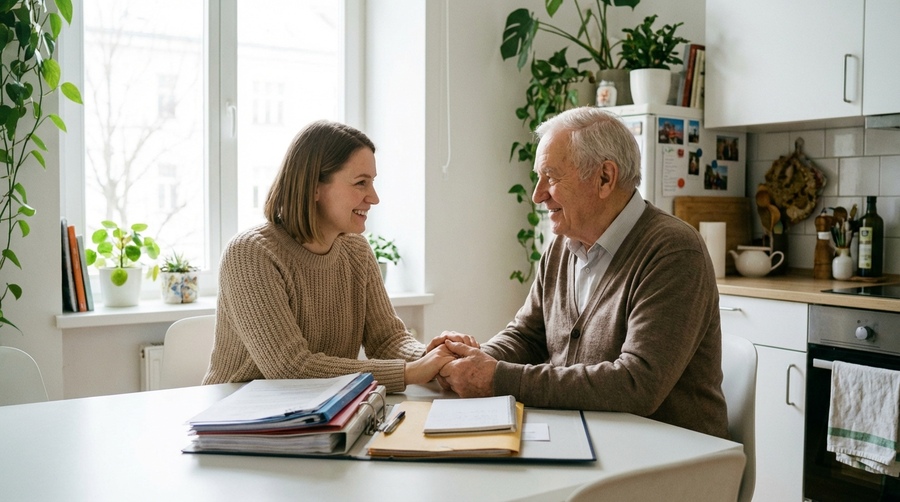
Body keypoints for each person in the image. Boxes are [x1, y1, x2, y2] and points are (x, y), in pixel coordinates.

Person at [438, 107, 729, 438]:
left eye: (550, 176)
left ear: (605, 177)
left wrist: (494, 377)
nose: (538, 195)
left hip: (674, 457)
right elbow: (527, 336)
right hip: (590, 438)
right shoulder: (563, 245)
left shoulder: (674, 251)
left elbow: (637, 383)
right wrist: (472, 361)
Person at [203, 120, 471, 392]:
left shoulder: (357, 251)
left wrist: (435, 357)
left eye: (372, 182)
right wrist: (411, 371)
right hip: (237, 419)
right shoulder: (251, 253)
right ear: (314, 187)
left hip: (321, 413)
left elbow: (387, 340)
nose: (374, 197)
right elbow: (291, 368)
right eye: (360, 183)